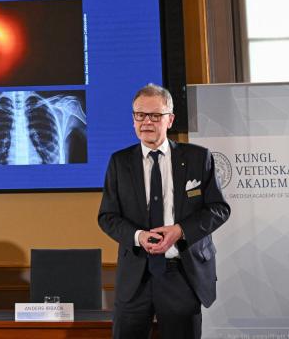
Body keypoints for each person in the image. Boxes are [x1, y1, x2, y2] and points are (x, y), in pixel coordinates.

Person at [98, 84, 230, 339]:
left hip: (181, 274)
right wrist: (138, 236)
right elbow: (107, 217)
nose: (147, 122)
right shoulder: (119, 162)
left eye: (155, 115)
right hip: (135, 276)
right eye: (140, 115)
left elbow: (219, 209)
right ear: (133, 119)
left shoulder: (198, 158)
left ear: (170, 119)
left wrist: (180, 231)